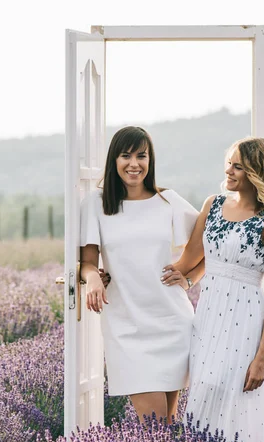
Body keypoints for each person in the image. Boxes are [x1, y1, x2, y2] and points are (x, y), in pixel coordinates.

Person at [162, 137, 264, 442]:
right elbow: (187, 262)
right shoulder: (212, 205)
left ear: (256, 172)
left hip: (246, 322)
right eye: (228, 163)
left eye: (237, 166)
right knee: (203, 392)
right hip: (208, 318)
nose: (228, 171)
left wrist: (262, 358)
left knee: (235, 399)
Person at [80, 126, 204, 425]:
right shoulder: (96, 204)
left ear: (151, 160)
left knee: (166, 427)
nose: (134, 164)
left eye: (141, 156)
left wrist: (190, 278)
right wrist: (93, 278)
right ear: (114, 160)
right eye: (126, 156)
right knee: (155, 428)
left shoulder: (169, 201)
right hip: (127, 327)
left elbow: (215, 246)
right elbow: (86, 261)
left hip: (172, 323)